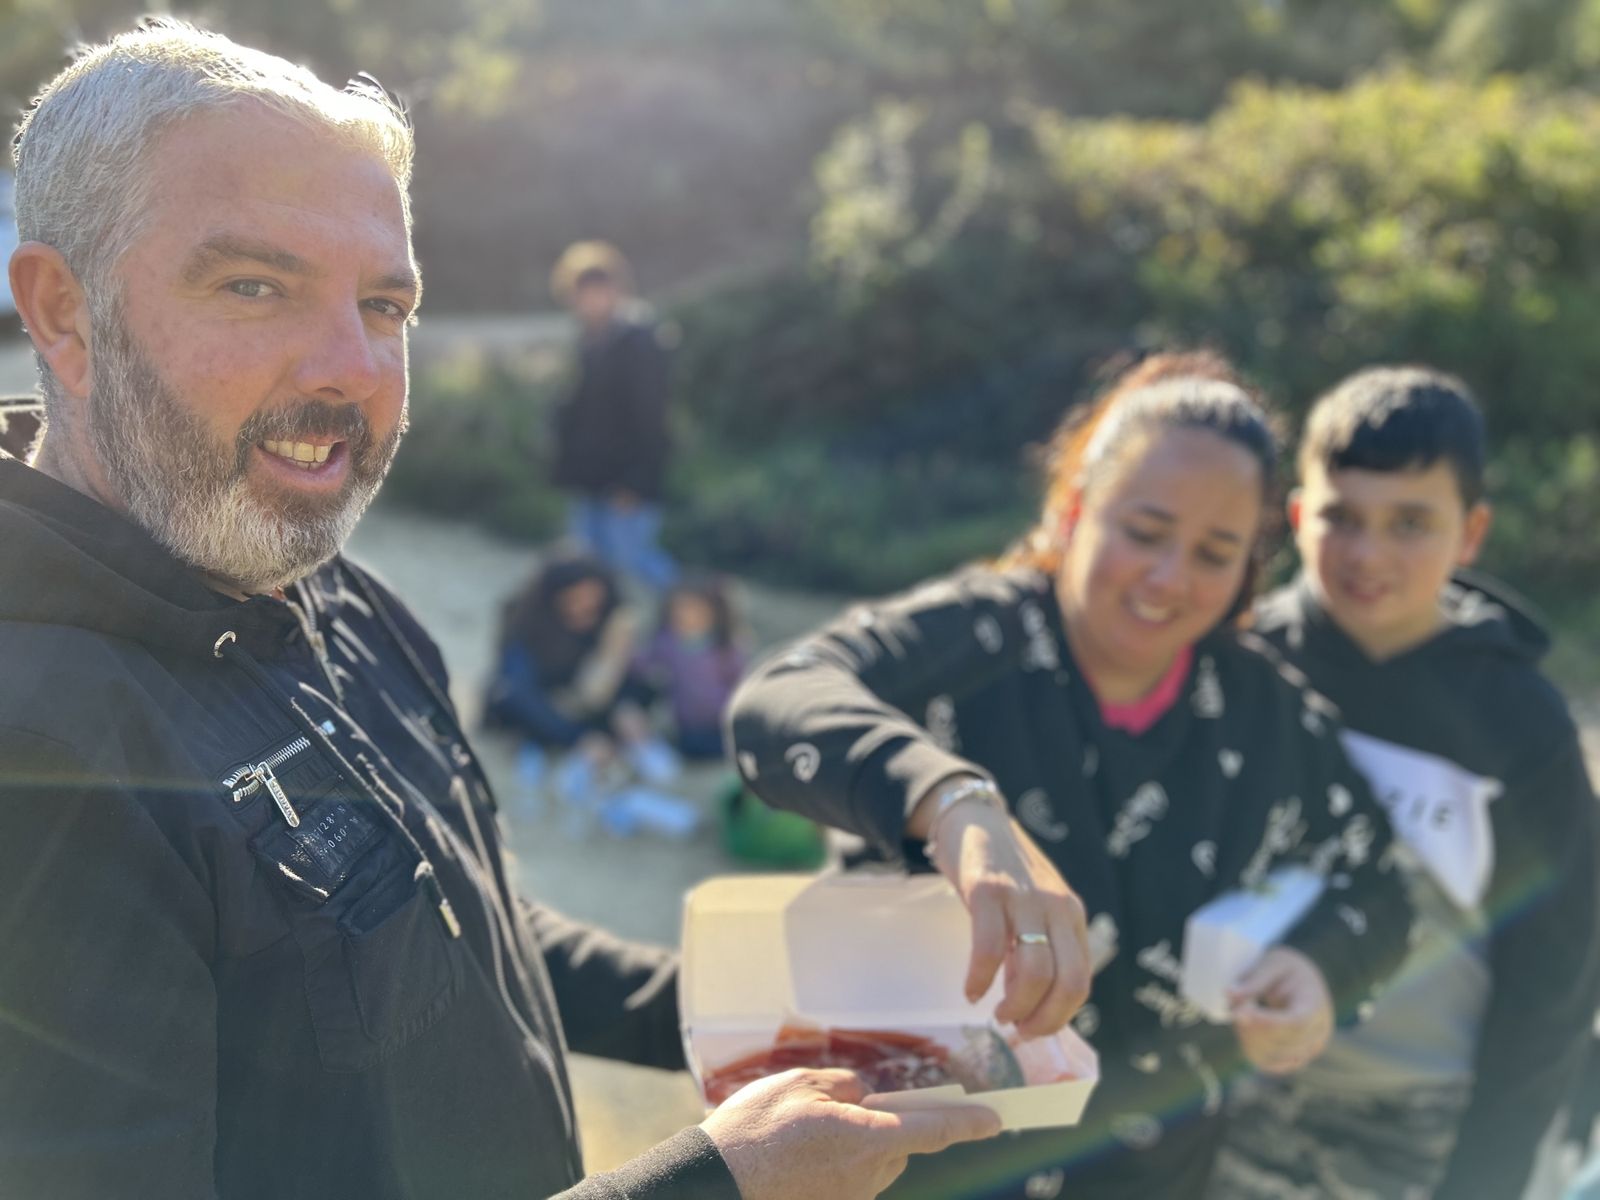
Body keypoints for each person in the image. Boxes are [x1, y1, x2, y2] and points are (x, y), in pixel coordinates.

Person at [0, 21, 1004, 1199]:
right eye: (254, 285)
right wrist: (716, 1184)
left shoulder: (325, 589)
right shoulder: (40, 762)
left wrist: (790, 1008)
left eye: (385, 304)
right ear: (62, 313)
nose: (350, 367)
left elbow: (452, 924)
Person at [726, 352, 1415, 1200]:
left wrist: (1318, 969)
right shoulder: (977, 643)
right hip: (919, 1169)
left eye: (1215, 551)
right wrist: (953, 803)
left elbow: (1378, 885)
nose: (1169, 578)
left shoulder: (1264, 717)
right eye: (1145, 531)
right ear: (1076, 507)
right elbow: (776, 700)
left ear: (1251, 568)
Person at [1208, 366, 1600, 1200]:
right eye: (1340, 517)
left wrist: (1487, 1177)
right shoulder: (1243, 665)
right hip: (1238, 1102)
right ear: (1293, 517)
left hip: (1430, 1123)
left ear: (1471, 533)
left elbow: (1556, 985)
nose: (1368, 554)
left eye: (1411, 523)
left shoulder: (1518, 720)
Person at [549, 240, 678, 592]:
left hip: (626, 482)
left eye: (599, 292)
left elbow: (652, 417)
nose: (591, 302)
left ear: (617, 290)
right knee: (589, 572)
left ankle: (699, 629)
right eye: (583, 294)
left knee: (635, 561)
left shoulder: (640, 340)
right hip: (590, 479)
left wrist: (636, 482)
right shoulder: (589, 341)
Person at [627, 573, 750, 760]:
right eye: (679, 609)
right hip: (687, 727)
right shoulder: (666, 643)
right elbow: (642, 665)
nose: (685, 615)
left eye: (693, 609)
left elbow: (741, 683)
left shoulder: (725, 647)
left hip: (721, 725)